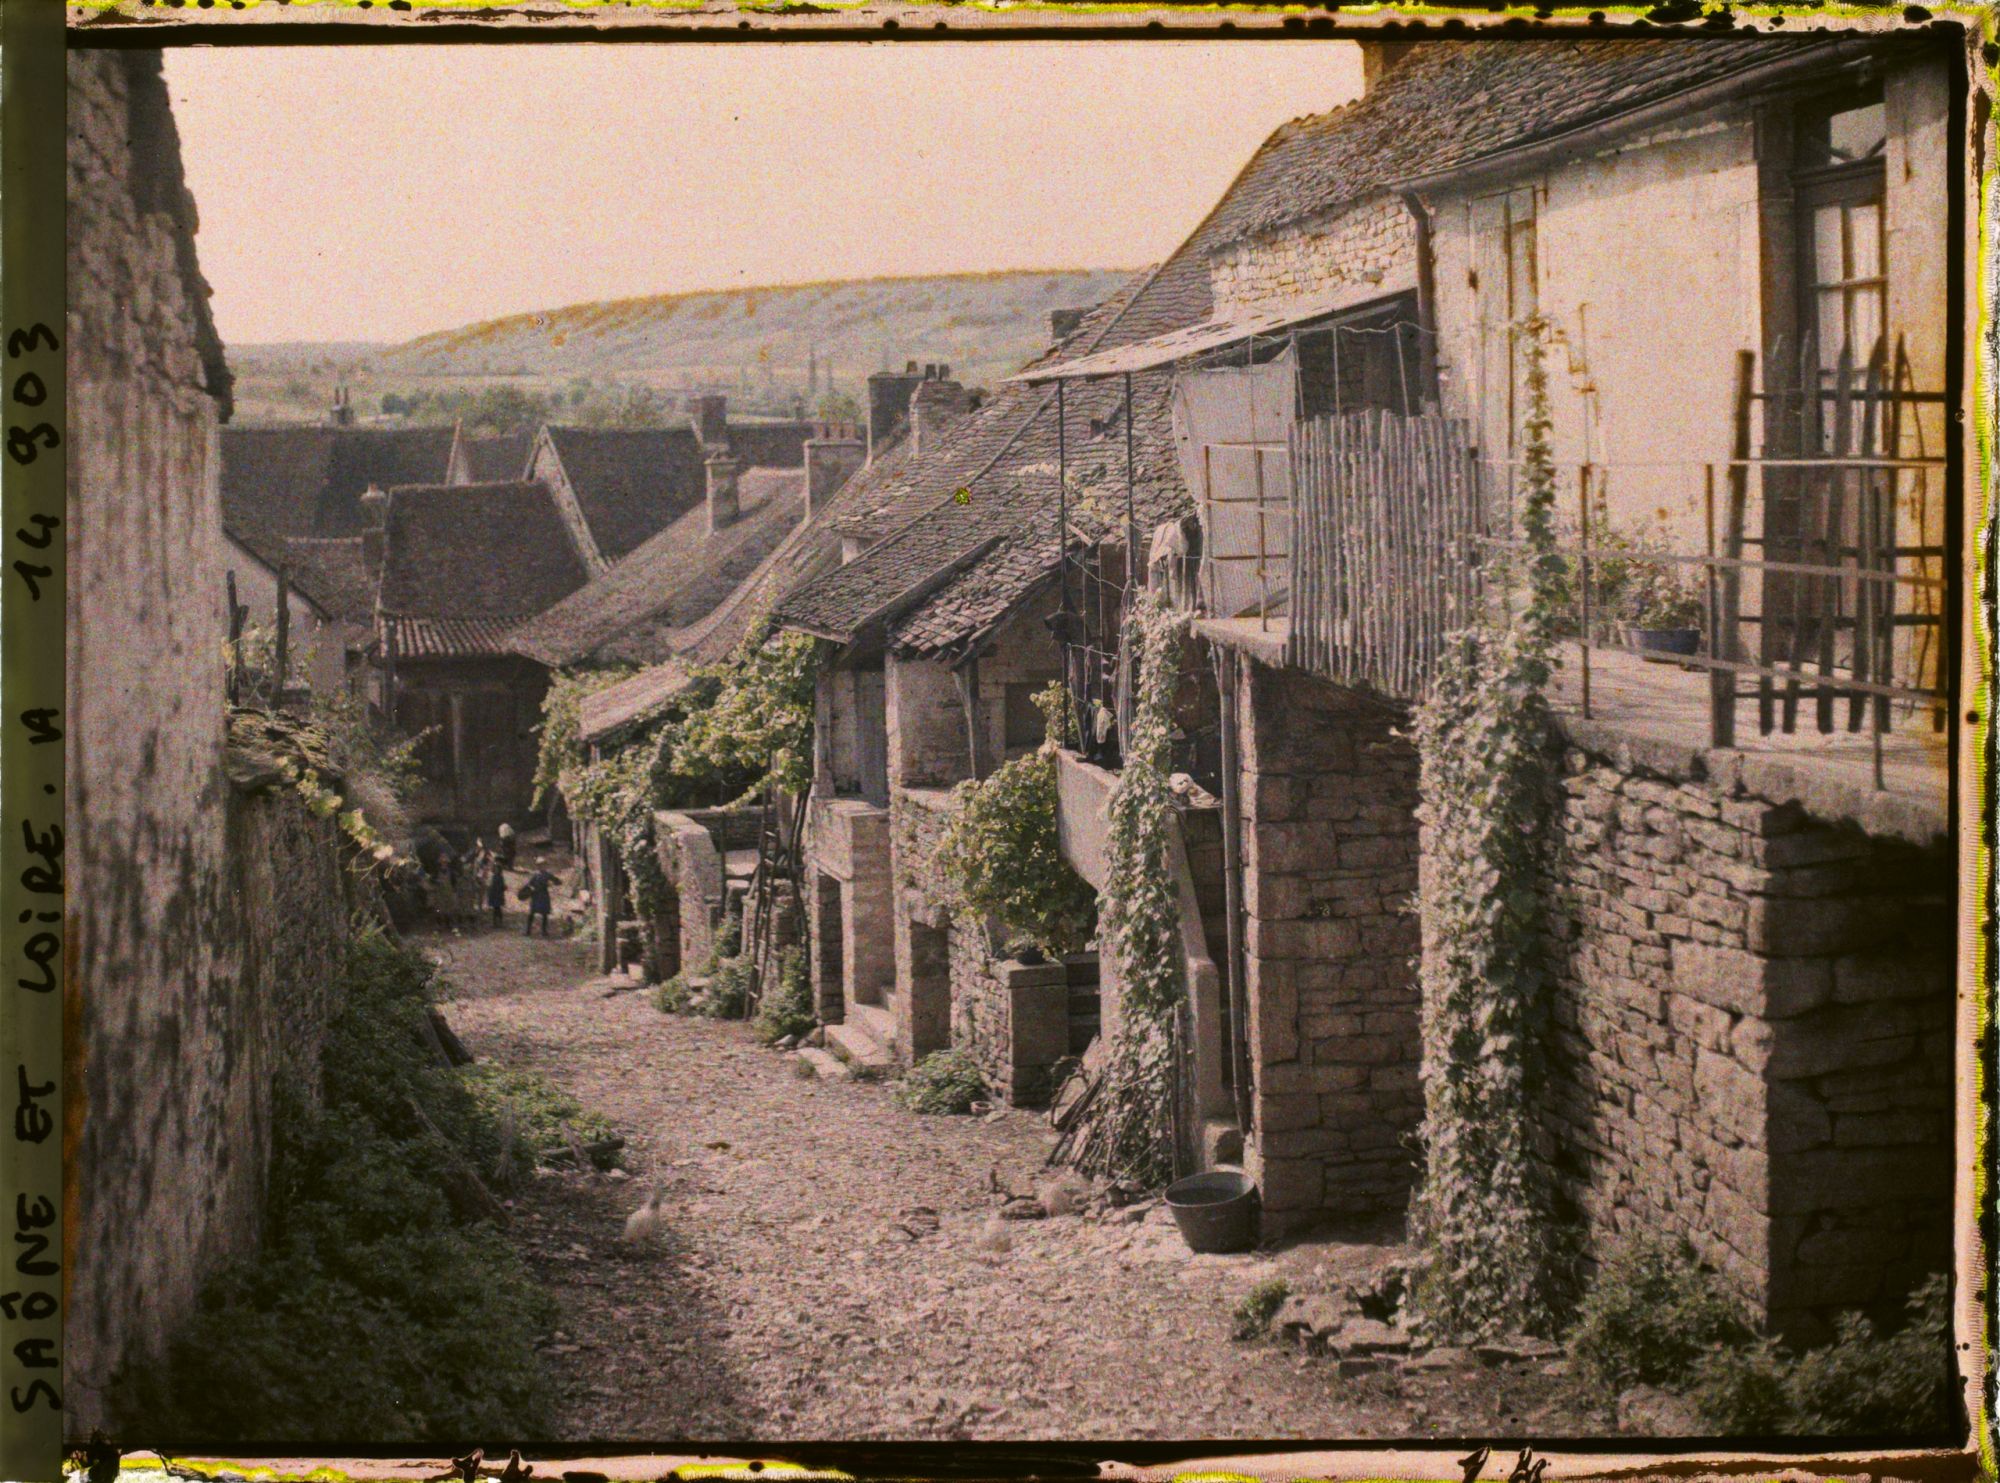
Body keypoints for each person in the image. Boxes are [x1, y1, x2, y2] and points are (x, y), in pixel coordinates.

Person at [519, 865, 556, 937]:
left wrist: (551, 883)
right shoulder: (536, 875)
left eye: (542, 865)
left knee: (544, 914)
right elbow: (530, 884)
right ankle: (528, 931)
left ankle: (544, 931)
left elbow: (557, 881)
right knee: (532, 913)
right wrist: (526, 889)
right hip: (536, 896)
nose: (541, 867)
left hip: (543, 896)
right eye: (539, 865)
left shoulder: (547, 875)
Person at [486, 855, 507, 929]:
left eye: (497, 869)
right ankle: (495, 922)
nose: (496, 870)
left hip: (498, 895)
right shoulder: (494, 876)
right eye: (495, 869)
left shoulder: (500, 877)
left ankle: (500, 922)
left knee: (498, 909)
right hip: (494, 895)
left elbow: (503, 886)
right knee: (495, 909)